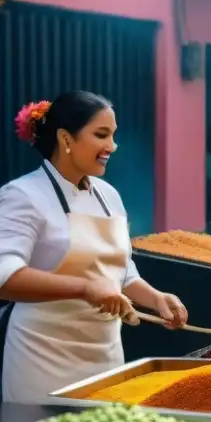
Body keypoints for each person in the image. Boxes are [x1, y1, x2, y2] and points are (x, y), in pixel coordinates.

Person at [0, 91, 188, 403]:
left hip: (106, 357)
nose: (112, 146)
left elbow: (122, 272)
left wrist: (155, 298)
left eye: (113, 135)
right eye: (101, 135)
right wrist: (85, 288)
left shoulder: (108, 195)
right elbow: (5, 278)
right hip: (42, 359)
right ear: (65, 139)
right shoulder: (22, 196)